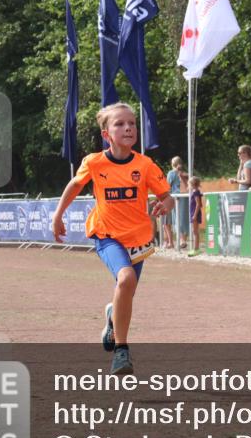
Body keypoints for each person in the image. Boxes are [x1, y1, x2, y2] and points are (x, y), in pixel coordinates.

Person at [51, 102, 174, 376]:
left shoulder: (145, 165)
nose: (128, 127)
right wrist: (58, 215)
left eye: (131, 123)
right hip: (106, 235)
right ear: (106, 134)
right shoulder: (94, 162)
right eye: (119, 124)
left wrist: (166, 204)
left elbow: (167, 196)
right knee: (126, 279)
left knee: (126, 291)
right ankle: (121, 352)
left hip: (138, 238)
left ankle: (111, 318)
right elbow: (75, 185)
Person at [166, 156, 189, 249]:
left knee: (177, 218)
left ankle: (181, 240)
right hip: (185, 196)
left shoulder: (171, 173)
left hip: (176, 198)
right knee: (184, 217)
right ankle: (183, 240)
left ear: (172, 164)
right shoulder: (185, 174)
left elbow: (167, 186)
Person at [188, 176, 203, 254]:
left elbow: (198, 204)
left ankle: (196, 248)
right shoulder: (195, 192)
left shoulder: (196, 192)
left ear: (192, 184)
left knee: (195, 231)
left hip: (195, 214)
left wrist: (194, 215)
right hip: (193, 213)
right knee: (195, 231)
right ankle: (196, 248)